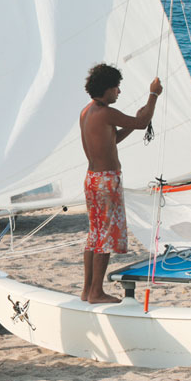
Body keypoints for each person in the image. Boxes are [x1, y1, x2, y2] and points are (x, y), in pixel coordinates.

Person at [79, 63, 163, 303]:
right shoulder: (105, 112)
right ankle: (96, 292)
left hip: (93, 179)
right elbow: (143, 120)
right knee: (104, 237)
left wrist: (133, 123)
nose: (119, 92)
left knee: (94, 235)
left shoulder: (88, 111)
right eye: (116, 88)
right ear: (106, 89)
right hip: (106, 181)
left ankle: (87, 290)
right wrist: (153, 94)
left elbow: (111, 139)